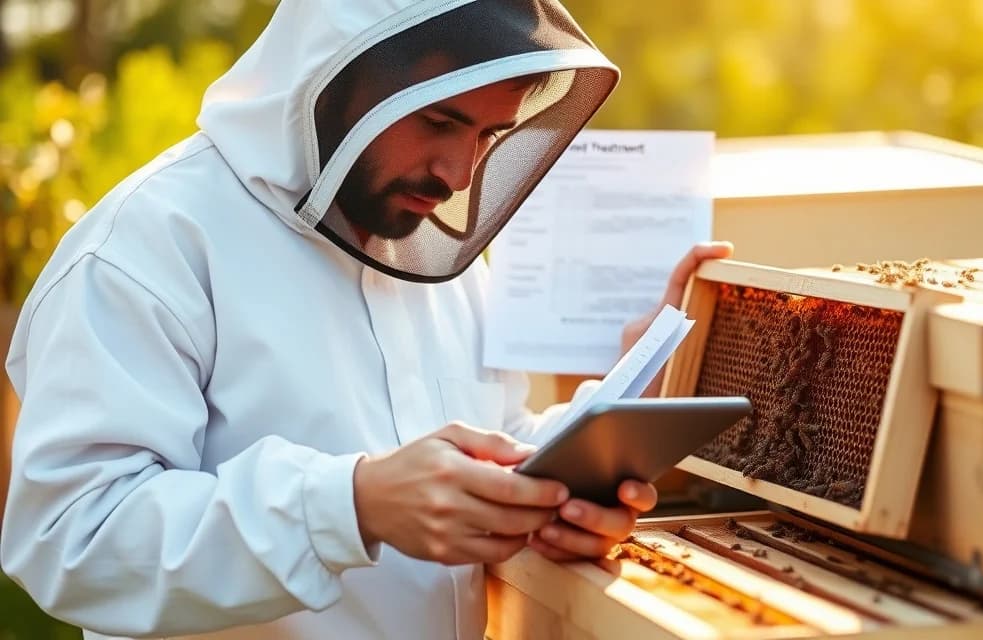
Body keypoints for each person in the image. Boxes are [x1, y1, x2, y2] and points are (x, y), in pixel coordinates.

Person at [0, 0, 733, 638]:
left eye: (485, 136)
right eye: (438, 121)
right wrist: (350, 506)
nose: (457, 173)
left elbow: (489, 446)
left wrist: (608, 423)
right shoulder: (146, 244)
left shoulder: (435, 260)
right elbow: (70, 539)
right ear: (338, 77)